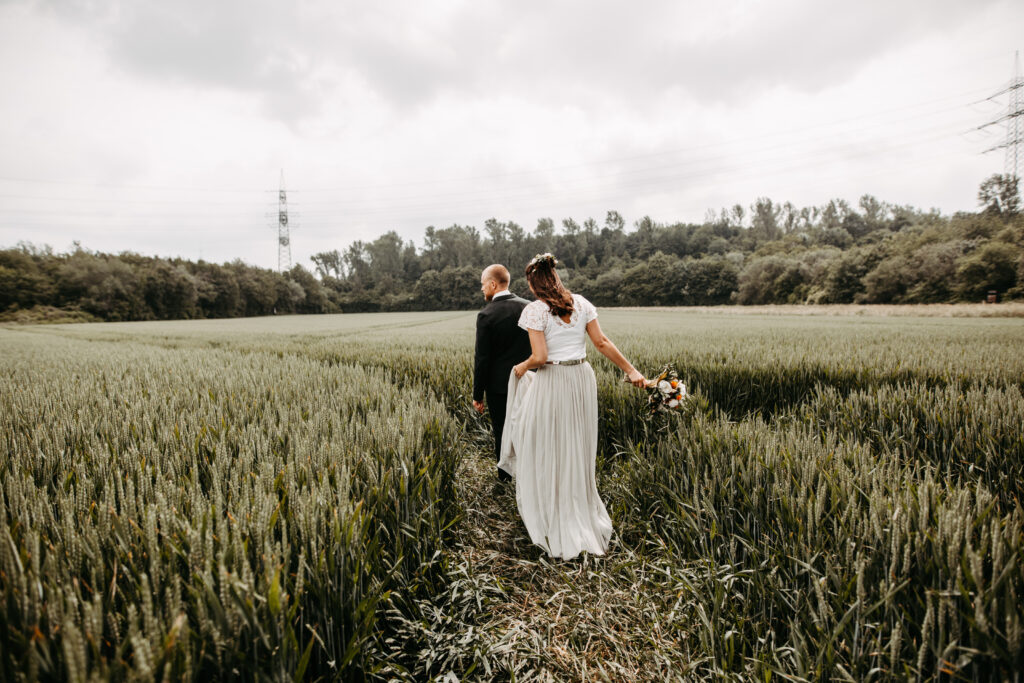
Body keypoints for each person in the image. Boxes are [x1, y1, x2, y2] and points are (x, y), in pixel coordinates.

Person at [498, 253, 646, 560]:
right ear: (556, 277)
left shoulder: (536, 311)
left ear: (533, 283)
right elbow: (602, 342)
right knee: (577, 443)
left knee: (548, 442)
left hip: (553, 379)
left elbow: (539, 358)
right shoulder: (582, 303)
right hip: (581, 378)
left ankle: (555, 509)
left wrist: (522, 367)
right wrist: (631, 371)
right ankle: (580, 507)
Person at [473, 264, 532, 482]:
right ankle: (530, 476)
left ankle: (505, 479)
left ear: (493, 284)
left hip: (499, 387)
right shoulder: (529, 307)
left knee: (502, 430)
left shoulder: (486, 315)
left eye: (482, 285)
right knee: (529, 428)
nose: (482, 289)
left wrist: (477, 395)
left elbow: (482, 359)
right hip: (530, 380)